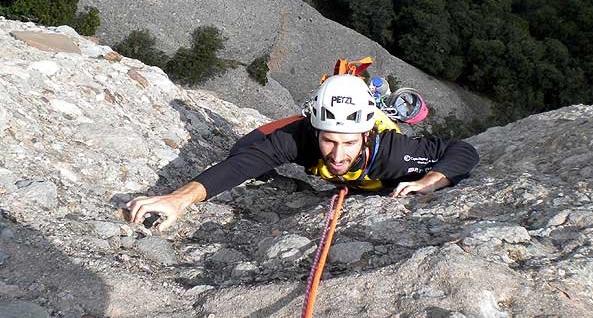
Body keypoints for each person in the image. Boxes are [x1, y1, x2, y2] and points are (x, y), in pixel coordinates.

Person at [127, 74, 479, 232]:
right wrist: (178, 199)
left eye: (349, 142)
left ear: (367, 134)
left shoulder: (393, 152)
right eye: (329, 140)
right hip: (302, 128)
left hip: (377, 168)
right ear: (315, 130)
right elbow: (240, 166)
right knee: (245, 147)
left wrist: (432, 180)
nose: (337, 154)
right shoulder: (302, 138)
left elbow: (461, 151)